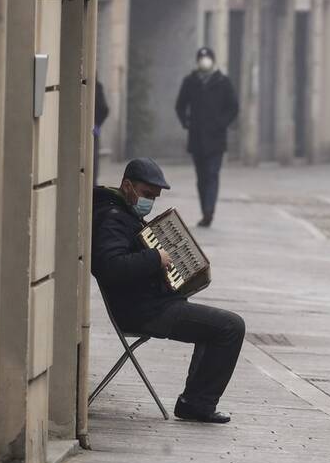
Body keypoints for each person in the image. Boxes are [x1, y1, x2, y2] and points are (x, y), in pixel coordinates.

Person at [91, 158, 245, 424]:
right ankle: (197, 404)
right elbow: (110, 266)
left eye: (154, 197)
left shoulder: (126, 214)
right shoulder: (113, 218)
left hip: (151, 304)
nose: (150, 201)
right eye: (147, 194)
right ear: (127, 186)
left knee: (218, 326)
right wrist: (155, 258)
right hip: (142, 311)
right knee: (230, 326)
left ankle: (195, 402)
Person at [174, 47, 239, 227]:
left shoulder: (223, 82)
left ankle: (209, 211)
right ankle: (205, 210)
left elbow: (233, 107)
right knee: (201, 177)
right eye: (201, 58)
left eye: (207, 58)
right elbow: (180, 105)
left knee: (212, 174)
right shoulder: (190, 82)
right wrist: (186, 122)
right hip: (196, 138)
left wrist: (221, 123)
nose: (204, 61)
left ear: (213, 60)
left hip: (216, 139)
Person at [93, 78, 110, 184]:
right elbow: (104, 108)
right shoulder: (95, 85)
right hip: (93, 130)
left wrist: (96, 124)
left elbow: (104, 108)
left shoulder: (95, 86)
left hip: (92, 130)